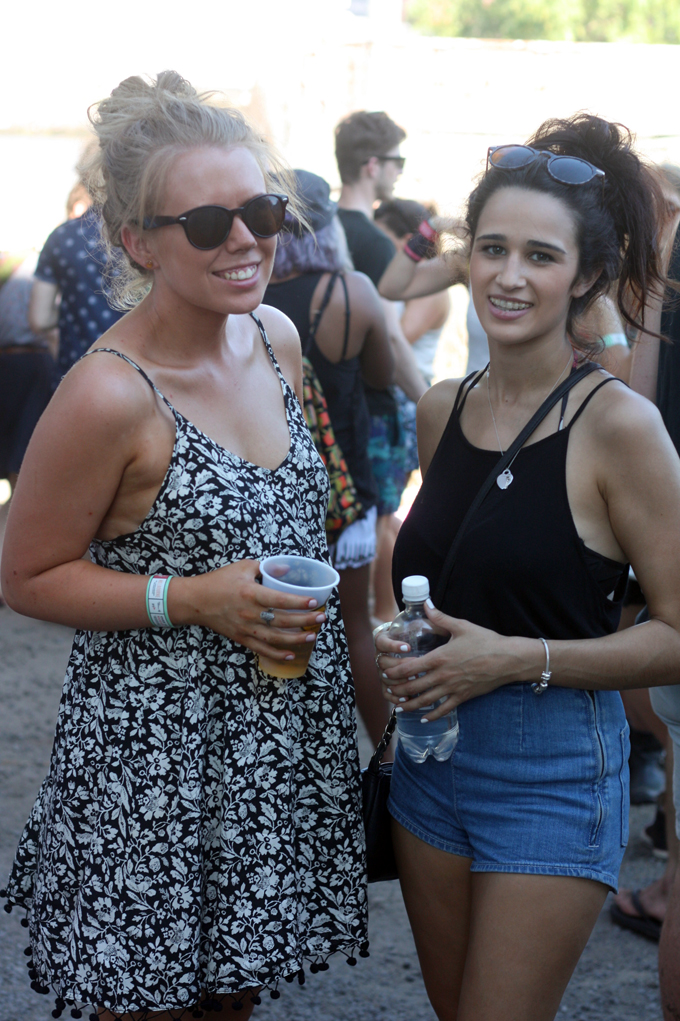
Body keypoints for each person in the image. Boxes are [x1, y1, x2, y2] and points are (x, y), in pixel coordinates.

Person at [0, 72, 367, 1020]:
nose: (245, 239)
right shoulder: (110, 393)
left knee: (229, 1003)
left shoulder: (277, 337)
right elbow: (26, 574)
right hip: (153, 763)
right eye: (208, 223)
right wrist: (191, 596)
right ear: (137, 242)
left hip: (268, 746)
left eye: (262, 209)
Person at [375, 114, 680, 1021]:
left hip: (551, 774)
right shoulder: (442, 408)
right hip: (430, 763)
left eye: (540, 256)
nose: (509, 276)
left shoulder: (619, 427)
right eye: (493, 248)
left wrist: (514, 656)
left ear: (584, 274)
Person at [264, 168, 395, 745]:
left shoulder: (245, 296)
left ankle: (289, 759)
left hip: (268, 494)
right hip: (345, 495)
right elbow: (381, 379)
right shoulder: (351, 291)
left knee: (275, 636)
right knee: (356, 627)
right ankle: (387, 756)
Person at [334, 111, 428, 630]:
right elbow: (389, 337)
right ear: (372, 165)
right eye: (396, 161)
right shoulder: (371, 243)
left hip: (319, 404)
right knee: (371, 531)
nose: (398, 172)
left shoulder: (318, 227)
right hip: (367, 409)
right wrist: (428, 398)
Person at [373, 198, 451, 621]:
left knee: (393, 517)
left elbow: (396, 336)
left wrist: (376, 319)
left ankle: (391, 609)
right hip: (433, 402)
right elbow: (390, 287)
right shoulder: (449, 270)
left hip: (413, 399)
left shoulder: (436, 295)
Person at [29, 149, 125, 378]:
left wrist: (71, 313)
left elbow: (40, 319)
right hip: (141, 376)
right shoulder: (146, 235)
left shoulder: (63, 237)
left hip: (77, 375)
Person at [0, 253, 56, 495]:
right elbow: (44, 322)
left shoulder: (14, 279)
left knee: (14, 432)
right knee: (25, 432)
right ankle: (20, 503)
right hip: (32, 359)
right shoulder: (37, 276)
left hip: (9, 359)